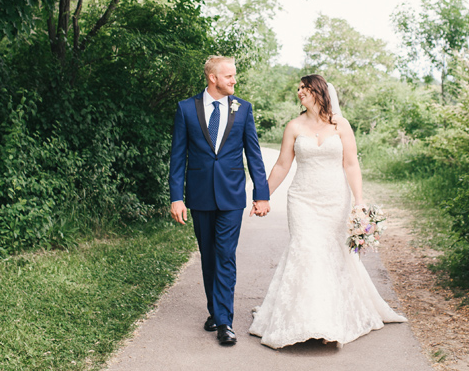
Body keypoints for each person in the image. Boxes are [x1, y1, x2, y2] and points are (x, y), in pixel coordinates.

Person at [249, 74, 406, 349]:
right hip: (302, 200)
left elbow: (351, 164)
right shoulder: (294, 126)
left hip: (335, 199)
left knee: (331, 255)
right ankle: (307, 320)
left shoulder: (341, 125)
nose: (299, 92)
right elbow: (283, 165)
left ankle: (328, 320)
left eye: (304, 88)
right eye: (298, 88)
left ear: (319, 91)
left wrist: (359, 201)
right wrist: (263, 196)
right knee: (306, 250)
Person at [169, 55, 271, 346]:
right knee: (209, 256)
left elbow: (254, 155)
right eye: (229, 76)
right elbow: (178, 157)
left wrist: (261, 195)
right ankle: (215, 310)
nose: (234, 81)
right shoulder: (186, 109)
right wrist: (177, 197)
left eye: (234, 76)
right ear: (213, 78)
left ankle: (224, 321)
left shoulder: (243, 109)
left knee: (225, 254)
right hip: (199, 195)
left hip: (231, 196)